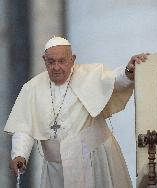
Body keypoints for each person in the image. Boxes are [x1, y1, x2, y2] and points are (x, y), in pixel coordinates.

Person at [5, 36, 147, 188]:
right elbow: (24, 127)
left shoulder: (90, 74)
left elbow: (114, 81)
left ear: (72, 59)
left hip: (94, 159)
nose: (56, 67)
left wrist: (128, 71)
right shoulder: (32, 88)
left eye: (62, 61)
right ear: (44, 60)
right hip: (56, 168)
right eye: (51, 62)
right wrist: (19, 154)